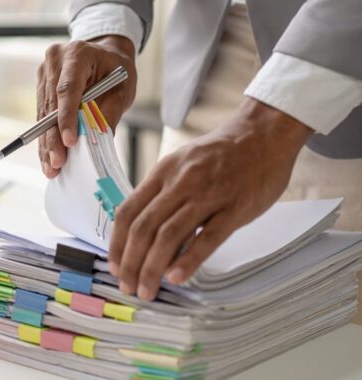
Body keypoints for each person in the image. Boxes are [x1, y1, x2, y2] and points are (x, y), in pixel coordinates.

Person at [36, 0, 362, 311]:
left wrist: (270, 125)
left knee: (328, 334)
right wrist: (107, 32)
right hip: (199, 74)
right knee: (169, 319)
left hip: (339, 89)